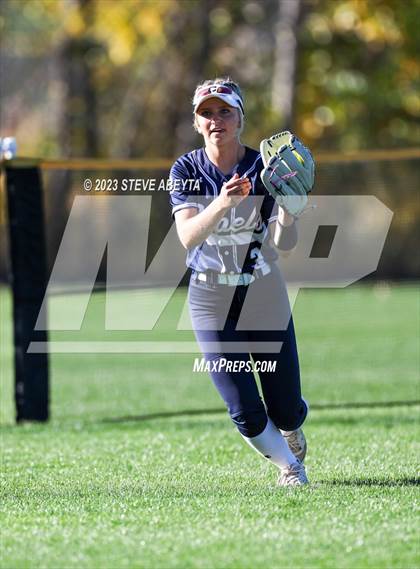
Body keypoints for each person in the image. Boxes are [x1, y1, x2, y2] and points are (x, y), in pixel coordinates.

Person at [169, 78, 310, 486]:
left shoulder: (263, 168)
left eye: (225, 111)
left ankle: (290, 428)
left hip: (262, 289)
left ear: (240, 118)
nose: (216, 120)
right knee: (244, 406)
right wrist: (224, 202)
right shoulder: (186, 169)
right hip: (210, 294)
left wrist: (289, 212)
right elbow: (188, 235)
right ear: (197, 123)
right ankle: (289, 468)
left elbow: (285, 243)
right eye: (207, 114)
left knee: (284, 408)